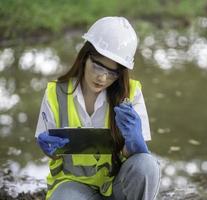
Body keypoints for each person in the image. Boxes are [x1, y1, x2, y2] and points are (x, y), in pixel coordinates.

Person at [35, 16, 161, 200]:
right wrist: (46, 147)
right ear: (84, 57)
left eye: (112, 73)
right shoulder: (55, 93)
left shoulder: (131, 93)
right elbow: (52, 152)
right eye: (98, 66)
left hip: (118, 186)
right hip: (72, 186)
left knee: (147, 164)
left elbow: (139, 166)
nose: (102, 78)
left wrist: (136, 141)